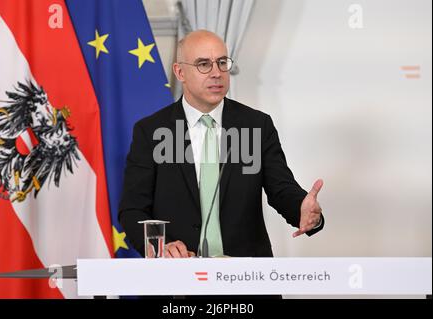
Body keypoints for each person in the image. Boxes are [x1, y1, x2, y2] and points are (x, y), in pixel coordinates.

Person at [119, 30, 324, 260]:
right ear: (180, 72)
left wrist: (303, 210)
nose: (216, 73)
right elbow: (133, 210)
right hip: (177, 278)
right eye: (203, 64)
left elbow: (281, 190)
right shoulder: (151, 131)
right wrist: (161, 247)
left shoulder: (256, 125)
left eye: (222, 62)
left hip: (245, 278)